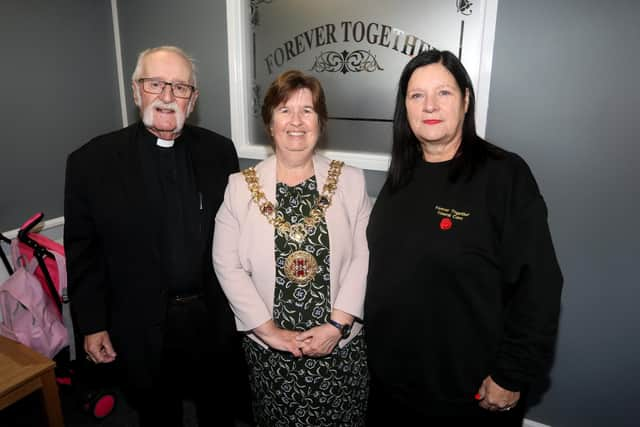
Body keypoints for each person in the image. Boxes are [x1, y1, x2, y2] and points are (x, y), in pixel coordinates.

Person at [364, 49, 563, 424]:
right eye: (416, 95)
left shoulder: (504, 175)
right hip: (392, 385)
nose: (430, 106)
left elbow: (539, 285)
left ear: (466, 100)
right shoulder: (402, 174)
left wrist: (511, 373)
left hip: (467, 392)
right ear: (404, 106)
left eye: (444, 93)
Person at [64, 46, 245, 427]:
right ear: (135, 92)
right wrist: (92, 324)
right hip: (140, 323)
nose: (167, 96)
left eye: (180, 87)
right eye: (155, 83)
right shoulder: (90, 162)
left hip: (210, 319)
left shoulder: (219, 151)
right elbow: (84, 252)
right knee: (157, 414)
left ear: (193, 99)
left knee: (219, 411)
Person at [213, 70, 371, 426]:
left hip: (340, 347)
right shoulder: (239, 187)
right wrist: (269, 332)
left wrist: (337, 325)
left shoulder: (351, 180)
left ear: (321, 122)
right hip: (271, 350)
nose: (296, 121)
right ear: (270, 123)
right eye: (285, 110)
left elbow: (364, 256)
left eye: (308, 111)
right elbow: (226, 263)